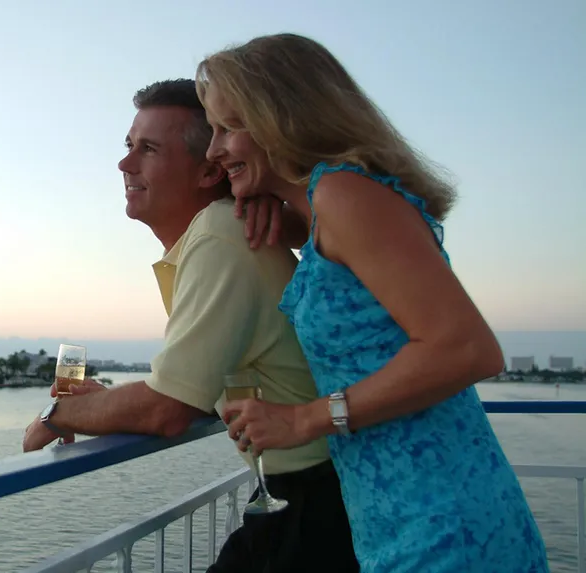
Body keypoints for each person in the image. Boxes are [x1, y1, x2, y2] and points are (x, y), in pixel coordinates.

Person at [196, 33, 549, 572]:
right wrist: (271, 202)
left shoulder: (344, 194)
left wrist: (306, 420)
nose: (213, 150)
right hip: (393, 519)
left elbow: (468, 349)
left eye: (229, 127)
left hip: (443, 523)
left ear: (281, 117)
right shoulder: (324, 209)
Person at [22, 78, 358, 572]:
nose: (124, 164)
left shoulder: (219, 238)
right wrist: (101, 403)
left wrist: (58, 416)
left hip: (313, 500)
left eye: (149, 149)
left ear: (208, 171)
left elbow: (167, 409)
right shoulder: (213, 236)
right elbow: (179, 387)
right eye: (128, 146)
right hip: (310, 489)